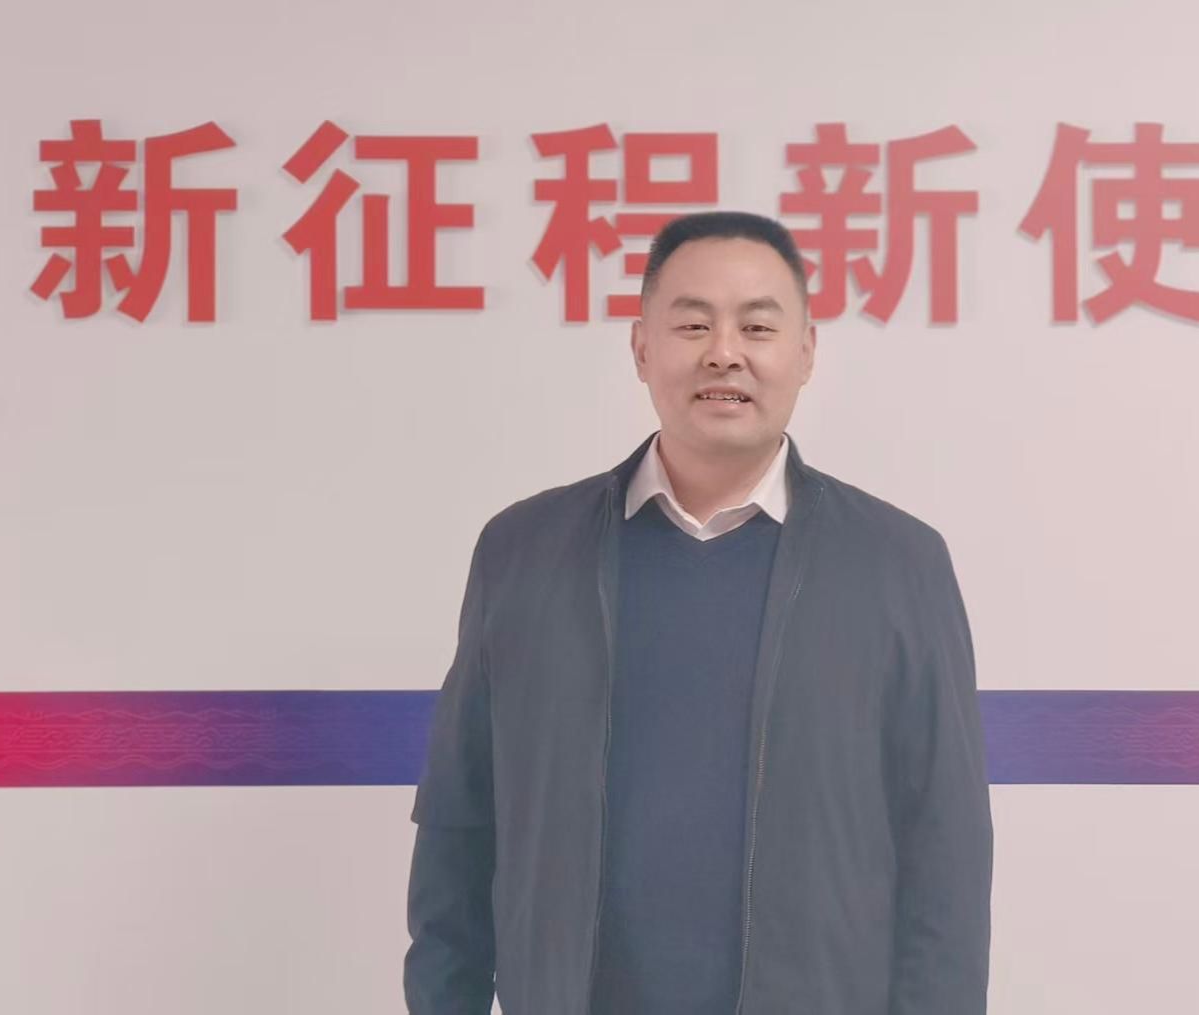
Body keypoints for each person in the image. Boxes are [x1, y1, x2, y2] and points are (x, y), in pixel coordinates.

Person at [404, 211, 993, 1015]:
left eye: (758, 326)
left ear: (806, 351)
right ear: (641, 347)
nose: (724, 352)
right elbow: (460, 825)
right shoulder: (524, 552)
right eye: (692, 324)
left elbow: (945, 852)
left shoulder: (898, 564)